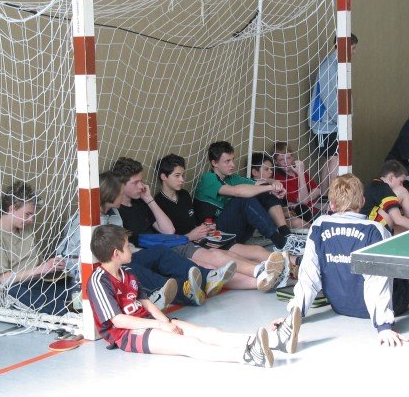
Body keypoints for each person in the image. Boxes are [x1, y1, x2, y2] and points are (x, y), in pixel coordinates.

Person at [86, 224, 303, 367]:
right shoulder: (99, 280)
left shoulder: (127, 272)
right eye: (127, 247)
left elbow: (144, 300)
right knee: (189, 345)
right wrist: (160, 326)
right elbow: (118, 320)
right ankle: (247, 355)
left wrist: (165, 322)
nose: (131, 250)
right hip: (128, 334)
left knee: (208, 332)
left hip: (151, 321)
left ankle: (276, 340)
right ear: (116, 254)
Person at [58, 171, 231, 307]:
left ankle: (208, 277)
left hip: (118, 257)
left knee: (159, 252)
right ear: (110, 194)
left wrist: (137, 251)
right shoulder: (87, 221)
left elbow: (120, 244)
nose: (122, 196)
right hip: (91, 270)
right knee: (130, 268)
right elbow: (79, 256)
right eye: (120, 193)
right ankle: (183, 293)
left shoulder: (114, 213)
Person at [281, 174, 409, 346]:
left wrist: (293, 313)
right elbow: (378, 279)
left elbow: (308, 275)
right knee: (402, 281)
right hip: (371, 311)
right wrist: (384, 326)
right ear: (363, 201)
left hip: (339, 306)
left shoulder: (319, 225)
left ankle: (296, 261)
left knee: (313, 263)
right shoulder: (375, 230)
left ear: (332, 204)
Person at [155, 153, 289, 292]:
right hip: (188, 244)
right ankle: (265, 276)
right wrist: (191, 236)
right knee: (221, 259)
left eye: (183, 175)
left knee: (254, 250)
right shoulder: (159, 202)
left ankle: (291, 263)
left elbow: (192, 223)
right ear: (164, 177)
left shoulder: (184, 195)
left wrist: (205, 228)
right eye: (177, 176)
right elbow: (169, 235)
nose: (182, 180)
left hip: (206, 237)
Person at [111, 157, 236, 298]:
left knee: (211, 263)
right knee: (205, 266)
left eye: (142, 181)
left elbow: (169, 230)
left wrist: (148, 199)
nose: (141, 186)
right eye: (135, 182)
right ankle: (196, 289)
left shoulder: (140, 203)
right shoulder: (116, 212)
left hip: (163, 248)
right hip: (150, 254)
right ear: (121, 185)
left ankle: (203, 286)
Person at [194, 141, 306, 256]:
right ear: (214, 163)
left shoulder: (232, 178)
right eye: (227, 161)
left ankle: (286, 235)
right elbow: (237, 192)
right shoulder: (208, 178)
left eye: (233, 160)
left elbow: (260, 182)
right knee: (244, 199)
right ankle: (281, 242)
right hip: (213, 235)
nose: (232, 165)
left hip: (235, 233)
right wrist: (269, 187)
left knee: (263, 190)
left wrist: (274, 183)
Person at [0, 181, 70, 315]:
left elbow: (38, 265)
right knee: (16, 292)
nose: (31, 219)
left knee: (75, 285)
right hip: (19, 288)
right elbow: (3, 279)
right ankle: (64, 311)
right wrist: (42, 268)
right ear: (12, 209)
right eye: (27, 214)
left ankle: (67, 307)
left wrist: (52, 265)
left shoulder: (26, 231)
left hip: (40, 283)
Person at [309, 33, 358, 197]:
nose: (354, 52)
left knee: (331, 159)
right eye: (352, 48)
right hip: (326, 123)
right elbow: (328, 97)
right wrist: (341, 120)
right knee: (335, 159)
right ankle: (333, 198)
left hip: (333, 122)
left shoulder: (338, 65)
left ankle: (325, 198)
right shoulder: (329, 66)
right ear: (341, 45)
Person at [361, 160, 409, 233]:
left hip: (366, 230)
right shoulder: (384, 188)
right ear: (391, 177)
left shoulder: (374, 185)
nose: (402, 185)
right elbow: (398, 219)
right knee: (402, 191)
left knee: (407, 228)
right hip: (374, 230)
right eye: (401, 182)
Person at [250, 152, 310, 229]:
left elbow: (280, 204)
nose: (271, 172)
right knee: (297, 222)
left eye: (271, 169)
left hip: (282, 217)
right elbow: (263, 211)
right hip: (268, 221)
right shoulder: (254, 189)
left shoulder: (271, 185)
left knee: (302, 209)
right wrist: (284, 214)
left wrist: (286, 209)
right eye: (266, 169)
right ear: (255, 172)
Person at [270, 142, 321, 223]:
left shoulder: (297, 170)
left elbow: (318, 190)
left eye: (288, 158)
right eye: (281, 159)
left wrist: (301, 201)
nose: (286, 162)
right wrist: (301, 174)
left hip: (316, 209)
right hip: (304, 216)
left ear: (293, 157)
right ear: (276, 162)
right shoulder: (279, 179)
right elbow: (304, 201)